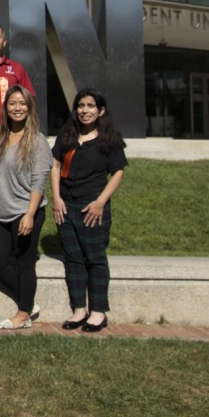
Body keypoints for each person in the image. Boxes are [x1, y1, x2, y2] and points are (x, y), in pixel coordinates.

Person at [52, 89, 128, 333]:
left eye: (90, 106)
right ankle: (79, 310)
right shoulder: (68, 135)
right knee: (73, 259)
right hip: (65, 206)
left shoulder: (107, 139)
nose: (85, 110)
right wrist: (56, 198)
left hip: (92, 208)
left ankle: (98, 312)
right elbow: (55, 165)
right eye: (81, 106)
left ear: (101, 110)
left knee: (95, 259)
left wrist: (100, 202)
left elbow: (118, 172)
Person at [0, 85, 53, 331]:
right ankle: (28, 301)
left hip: (26, 212)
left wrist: (29, 214)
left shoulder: (37, 141)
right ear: (6, 107)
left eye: (22, 103)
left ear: (29, 107)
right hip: (0, 212)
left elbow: (39, 182)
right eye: (12, 103)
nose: (17, 108)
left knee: (25, 264)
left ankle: (23, 314)